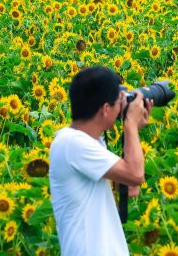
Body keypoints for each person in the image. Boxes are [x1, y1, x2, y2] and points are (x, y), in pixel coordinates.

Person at [49, 66, 153, 255]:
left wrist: (134, 129)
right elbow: (136, 175)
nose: (120, 108)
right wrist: (129, 123)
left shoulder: (90, 144)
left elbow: (131, 188)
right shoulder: (72, 143)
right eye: (117, 103)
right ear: (105, 108)